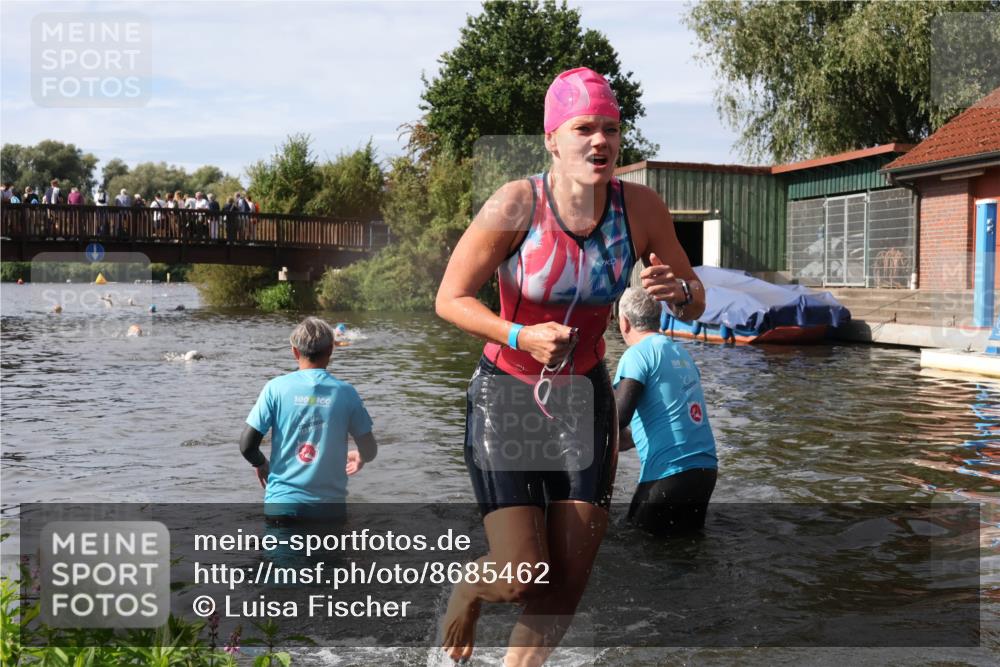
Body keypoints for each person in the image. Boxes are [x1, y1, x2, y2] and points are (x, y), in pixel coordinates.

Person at [435, 66, 705, 666]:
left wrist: (678, 292)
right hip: (507, 395)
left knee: (567, 583)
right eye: (585, 128)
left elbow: (694, 290)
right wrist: (519, 334)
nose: (601, 142)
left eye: (611, 128)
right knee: (521, 575)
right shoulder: (515, 203)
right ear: (553, 138)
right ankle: (472, 586)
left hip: (584, 398)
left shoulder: (639, 208)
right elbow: (449, 298)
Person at [239, 317, 377, 520]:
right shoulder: (346, 393)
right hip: (328, 512)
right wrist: (362, 457)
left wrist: (260, 463)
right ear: (331, 350)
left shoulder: (275, 388)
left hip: (282, 507)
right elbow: (370, 449)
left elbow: (247, 446)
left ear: (294, 351)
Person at [613, 287, 717, 536]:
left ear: (623, 321)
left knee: (637, 546)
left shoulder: (636, 355)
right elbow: (662, 421)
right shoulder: (681, 352)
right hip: (704, 472)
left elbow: (618, 418)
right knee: (686, 551)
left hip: (669, 473)